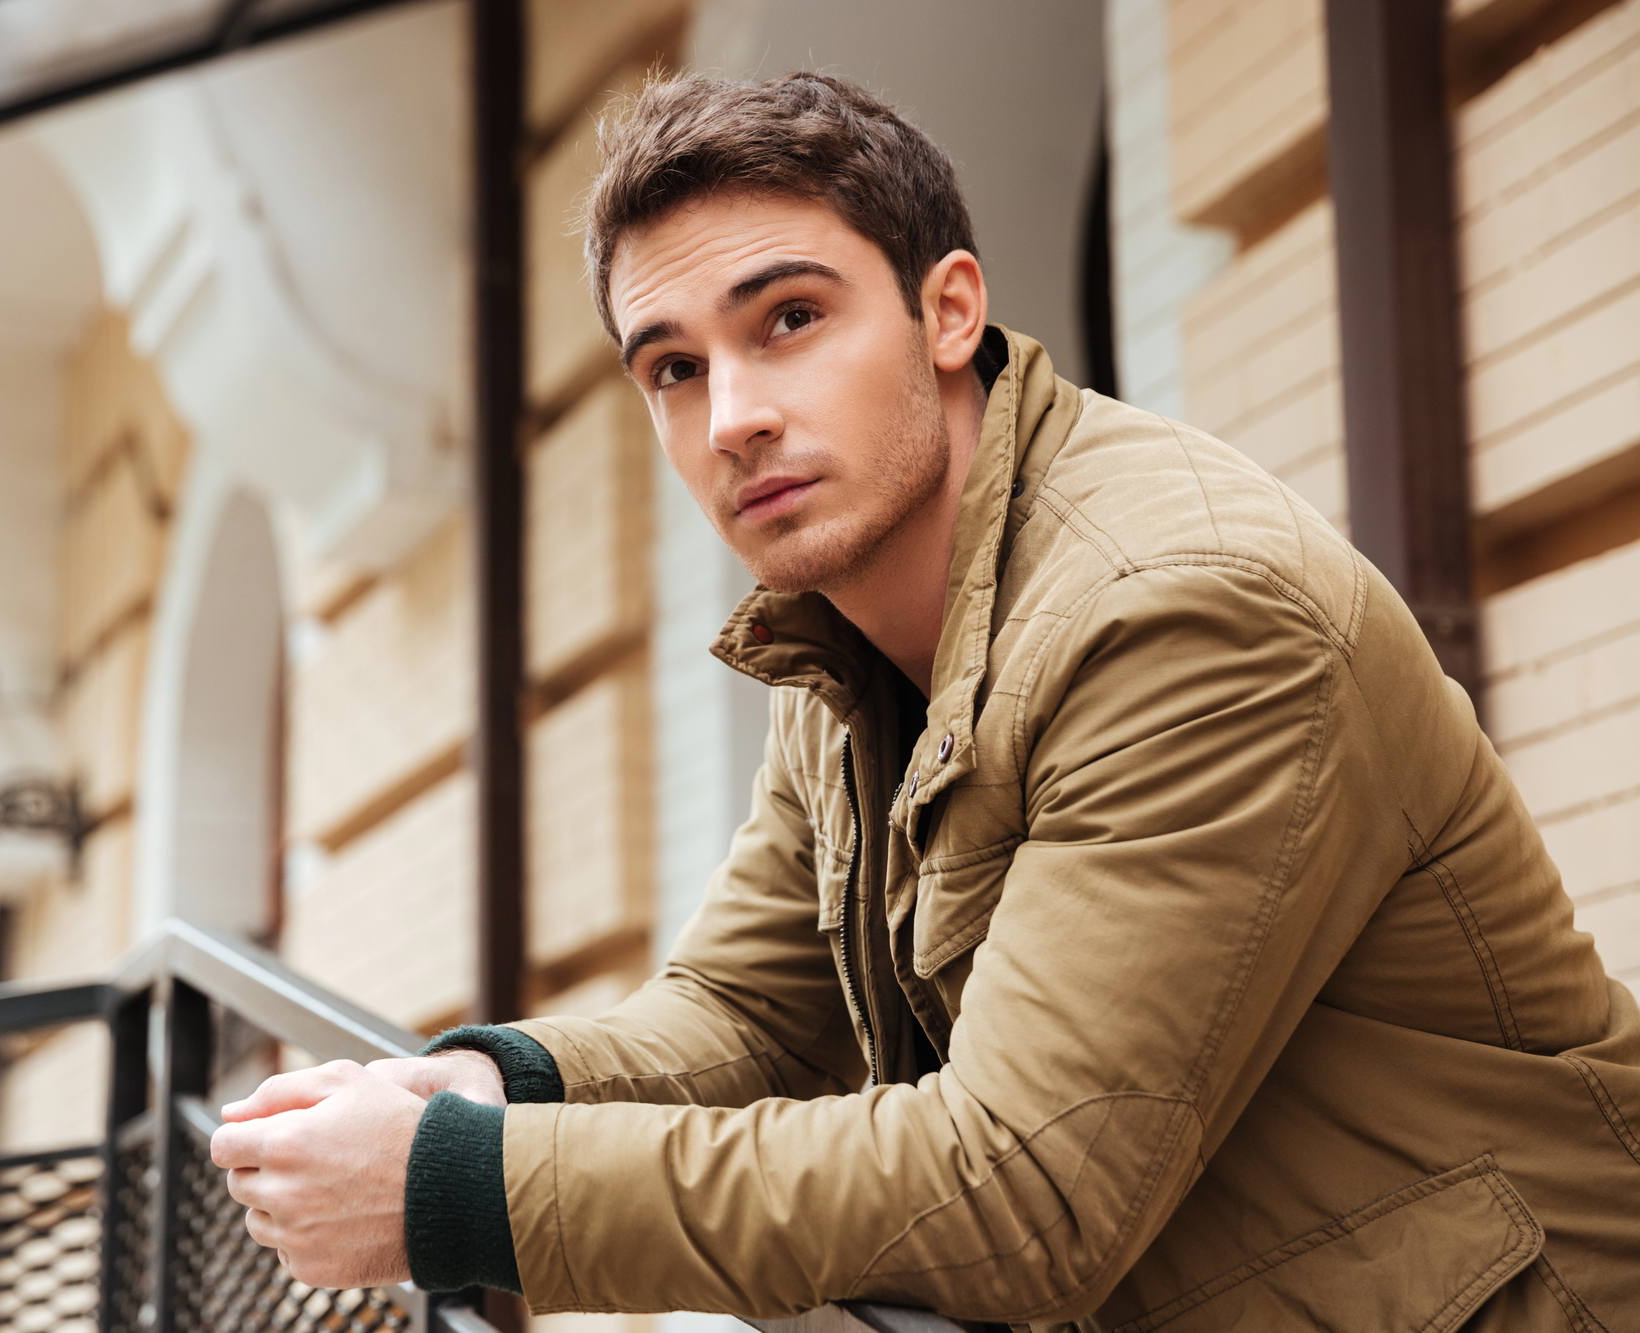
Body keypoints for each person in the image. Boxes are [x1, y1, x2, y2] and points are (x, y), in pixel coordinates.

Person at [209, 72, 1640, 1329]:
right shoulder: (845, 631)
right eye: (675, 367)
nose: (732, 417)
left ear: (949, 310)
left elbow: (1027, 1180)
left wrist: (464, 1194)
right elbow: (750, 1016)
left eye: (788, 318)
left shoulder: (1182, 610)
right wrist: (476, 1096)